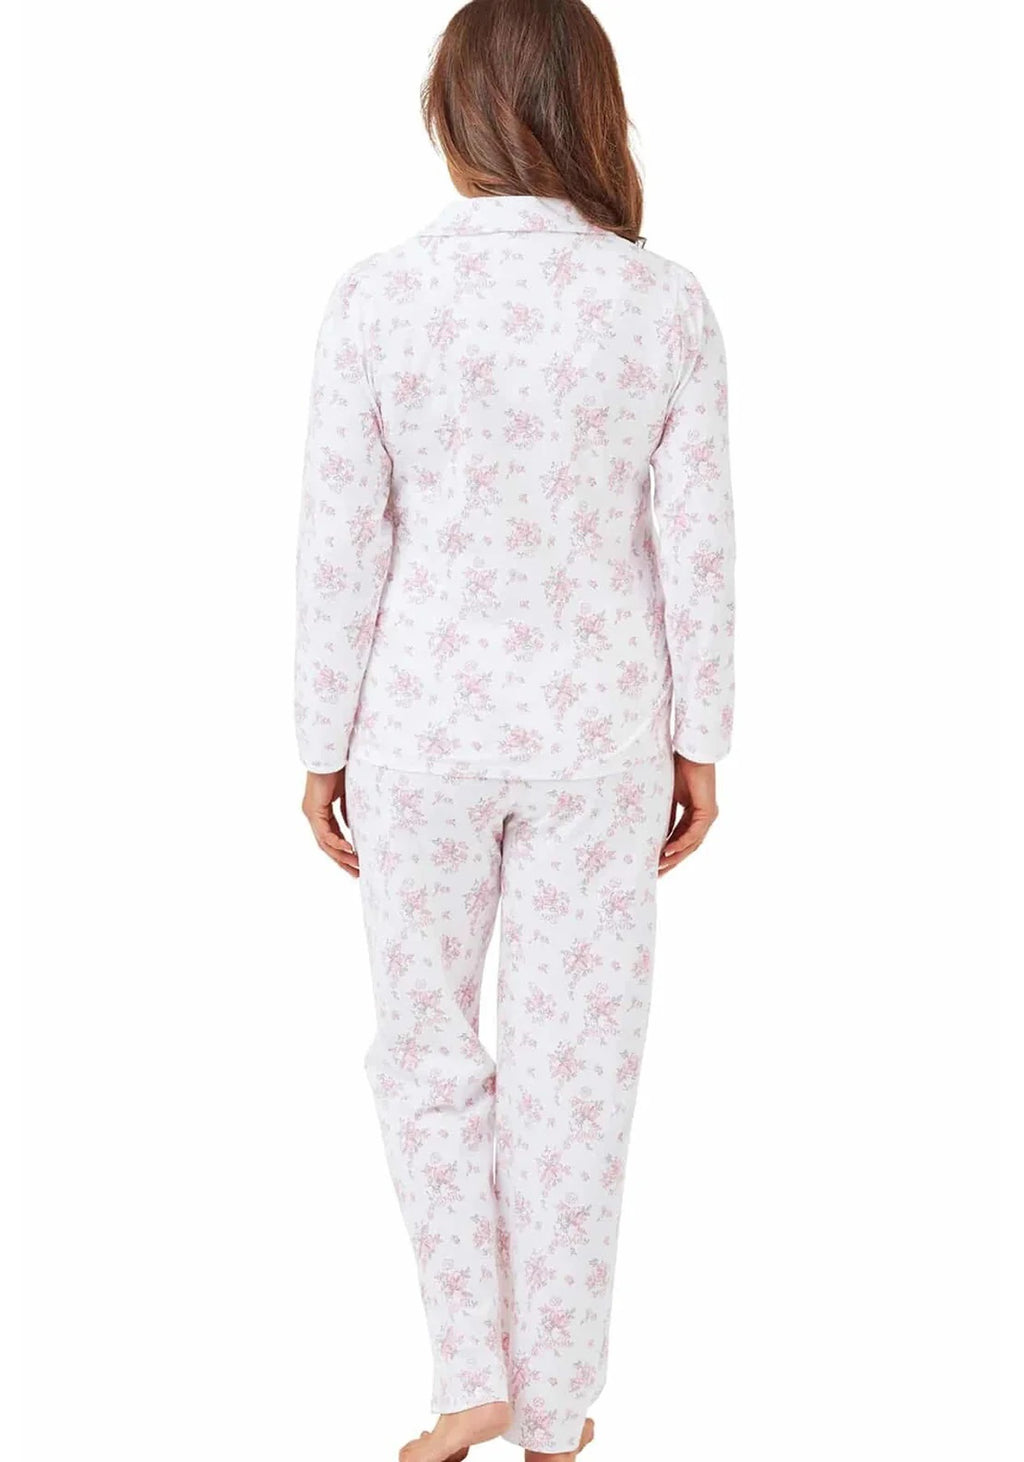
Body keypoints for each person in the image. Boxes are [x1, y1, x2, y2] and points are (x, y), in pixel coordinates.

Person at [294, 1, 735, 1457]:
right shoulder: (662, 305)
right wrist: (702, 736)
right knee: (576, 1074)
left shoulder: (377, 299)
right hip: (601, 735)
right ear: (590, 110)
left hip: (415, 730)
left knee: (425, 1051)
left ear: (453, 114)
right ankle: (553, 1407)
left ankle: (470, 1375)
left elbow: (341, 543)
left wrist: (320, 737)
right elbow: (697, 546)